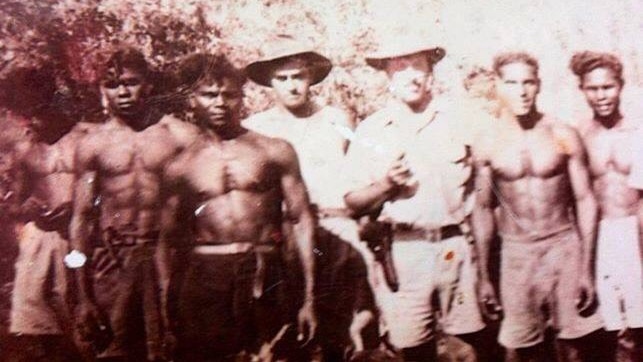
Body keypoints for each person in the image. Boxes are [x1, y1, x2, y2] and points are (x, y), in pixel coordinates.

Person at [158, 53, 317, 361]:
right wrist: (168, 307)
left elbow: (302, 221)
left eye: (229, 94)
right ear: (192, 100)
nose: (220, 102)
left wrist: (307, 298)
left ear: (241, 98)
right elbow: (167, 241)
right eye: (209, 95)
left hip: (265, 272)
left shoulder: (274, 151)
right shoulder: (179, 165)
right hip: (205, 277)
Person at [343, 32, 486, 361]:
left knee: (471, 344)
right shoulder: (372, 130)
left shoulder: (460, 120)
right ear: (388, 76)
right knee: (411, 347)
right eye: (400, 67)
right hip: (405, 251)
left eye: (417, 66)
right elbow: (352, 201)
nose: (410, 74)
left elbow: (487, 181)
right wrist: (386, 185)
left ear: (430, 72)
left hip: (457, 246)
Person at [244, 34, 376, 360]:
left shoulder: (338, 120)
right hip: (285, 241)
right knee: (287, 336)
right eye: (282, 78)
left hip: (336, 233)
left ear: (311, 77)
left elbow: (359, 176)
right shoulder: (254, 128)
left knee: (343, 334)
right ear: (270, 83)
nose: (291, 86)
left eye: (298, 76)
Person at [471, 52, 607, 362]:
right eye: (511, 82)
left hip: (563, 245)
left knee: (576, 348)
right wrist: (483, 277)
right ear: (497, 86)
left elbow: (585, 199)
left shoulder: (562, 135)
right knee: (525, 349)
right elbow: (481, 208)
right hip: (517, 253)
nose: (521, 91)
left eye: (528, 82)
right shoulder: (487, 142)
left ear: (538, 85)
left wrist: (587, 267)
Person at [69, 47, 198, 362]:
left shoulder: (180, 136)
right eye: (113, 85)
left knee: (171, 349)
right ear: (102, 89)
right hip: (112, 262)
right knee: (112, 350)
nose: (122, 92)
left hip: (167, 260)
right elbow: (81, 219)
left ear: (149, 85)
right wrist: (82, 295)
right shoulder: (93, 144)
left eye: (131, 82)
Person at [3, 66, 90, 362]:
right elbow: (16, 202)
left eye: (38, 107)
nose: (33, 117)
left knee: (78, 317)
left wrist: (77, 205)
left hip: (76, 239)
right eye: (25, 111)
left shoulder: (81, 138)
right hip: (40, 241)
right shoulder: (25, 149)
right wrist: (26, 208)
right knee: (37, 320)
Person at [571, 51, 643, 358]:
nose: (601, 96)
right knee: (609, 328)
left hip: (634, 231)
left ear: (621, 86)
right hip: (599, 237)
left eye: (608, 87)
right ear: (583, 90)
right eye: (593, 88)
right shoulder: (579, 137)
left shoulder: (638, 134)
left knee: (637, 330)